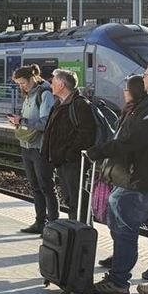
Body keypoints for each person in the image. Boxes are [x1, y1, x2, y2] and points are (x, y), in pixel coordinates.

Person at [88, 61, 148, 294]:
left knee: (124, 230)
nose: (143, 79)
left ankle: (118, 281)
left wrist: (98, 151)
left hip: (142, 181)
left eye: (145, 75)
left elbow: (135, 138)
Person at [97, 75, 148, 275]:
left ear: (133, 92)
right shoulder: (129, 112)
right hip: (122, 174)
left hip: (132, 178)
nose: (123, 93)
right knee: (119, 223)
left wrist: (102, 151)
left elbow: (127, 143)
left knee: (134, 226)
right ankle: (119, 258)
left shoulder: (139, 113)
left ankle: (122, 275)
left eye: (126, 89)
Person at [7, 64, 57, 233]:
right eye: (19, 84)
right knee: (35, 186)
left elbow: (45, 123)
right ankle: (39, 222)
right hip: (27, 146)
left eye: (23, 83)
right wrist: (18, 121)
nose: (22, 86)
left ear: (32, 78)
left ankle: (52, 224)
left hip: (40, 148)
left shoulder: (45, 94)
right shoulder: (29, 95)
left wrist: (22, 121)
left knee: (46, 187)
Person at [41, 68, 96, 221]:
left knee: (78, 203)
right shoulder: (58, 104)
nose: (50, 84)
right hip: (63, 162)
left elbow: (86, 135)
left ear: (61, 85)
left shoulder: (79, 105)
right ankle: (75, 236)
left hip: (74, 163)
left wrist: (68, 154)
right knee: (71, 202)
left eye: (53, 82)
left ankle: (82, 238)